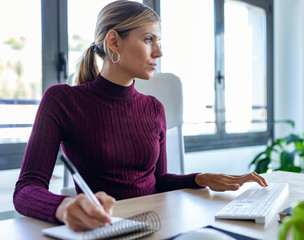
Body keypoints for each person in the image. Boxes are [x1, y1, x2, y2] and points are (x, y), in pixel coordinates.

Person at [13, 0, 267, 231]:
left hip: (157, 224)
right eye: (148, 40)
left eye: (159, 42)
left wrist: (202, 178)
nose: (158, 53)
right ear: (114, 42)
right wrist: (65, 207)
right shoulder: (62, 100)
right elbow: (26, 189)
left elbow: (157, 180)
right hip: (106, 230)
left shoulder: (154, 108)